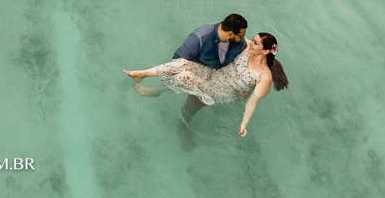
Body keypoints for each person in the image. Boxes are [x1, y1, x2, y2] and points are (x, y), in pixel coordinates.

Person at [123, 32, 289, 138]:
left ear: (265, 51)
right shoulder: (247, 50)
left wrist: (244, 123)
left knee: (185, 77)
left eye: (256, 43)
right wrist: (216, 27)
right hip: (214, 74)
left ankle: (177, 119)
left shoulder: (264, 77)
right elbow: (230, 33)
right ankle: (142, 74)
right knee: (182, 64)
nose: (251, 43)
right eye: (253, 40)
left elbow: (252, 102)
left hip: (223, 92)